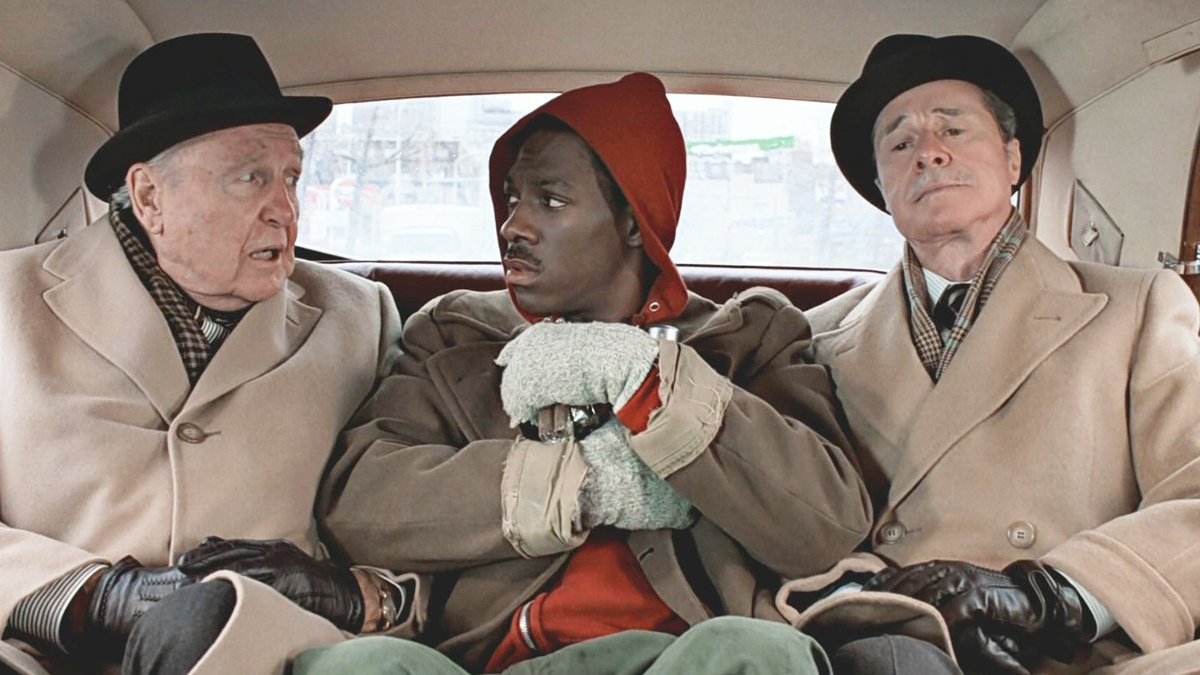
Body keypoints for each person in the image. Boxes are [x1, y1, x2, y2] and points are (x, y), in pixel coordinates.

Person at [301, 72, 872, 674]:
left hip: (680, 657)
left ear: (634, 223)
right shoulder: (453, 335)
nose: (513, 226)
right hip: (487, 661)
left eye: (550, 201)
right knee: (352, 667)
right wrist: (585, 485)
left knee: (759, 654)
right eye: (512, 199)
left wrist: (649, 379)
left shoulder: (750, 338)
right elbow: (360, 504)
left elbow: (826, 526)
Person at [0, 33, 422, 675]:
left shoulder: (360, 317)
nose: (285, 211)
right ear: (149, 197)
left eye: (291, 178)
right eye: (250, 178)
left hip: (266, 654)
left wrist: (351, 593)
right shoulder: (9, 301)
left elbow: (410, 531)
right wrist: (93, 597)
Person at [778, 34, 1200, 674]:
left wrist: (1050, 596)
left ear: (1012, 157)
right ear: (882, 187)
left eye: (953, 129)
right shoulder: (811, 339)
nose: (929, 152)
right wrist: (867, 602)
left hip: (1072, 651)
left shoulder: (1137, 307)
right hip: (887, 647)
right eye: (900, 144)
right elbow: (781, 523)